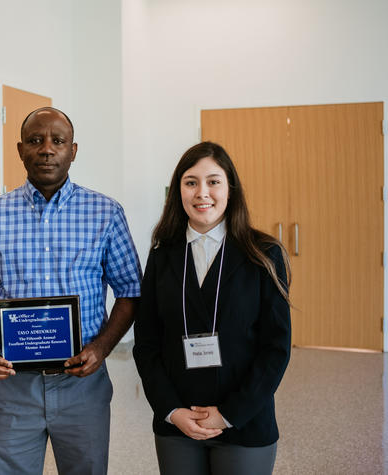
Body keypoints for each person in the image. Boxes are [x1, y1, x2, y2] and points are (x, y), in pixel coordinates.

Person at [0, 107, 142, 475]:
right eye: (35, 140)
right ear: (20, 150)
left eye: (57, 141)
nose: (46, 149)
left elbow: (130, 292)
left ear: (73, 150)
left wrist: (101, 348)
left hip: (82, 385)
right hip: (13, 385)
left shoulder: (105, 213)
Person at [133, 141, 291, 474]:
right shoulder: (162, 256)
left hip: (244, 421)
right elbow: (147, 345)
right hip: (178, 422)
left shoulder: (263, 254)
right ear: (179, 191)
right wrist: (172, 410)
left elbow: (275, 348)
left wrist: (229, 413)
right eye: (191, 182)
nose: (202, 192)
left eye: (213, 181)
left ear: (230, 189)